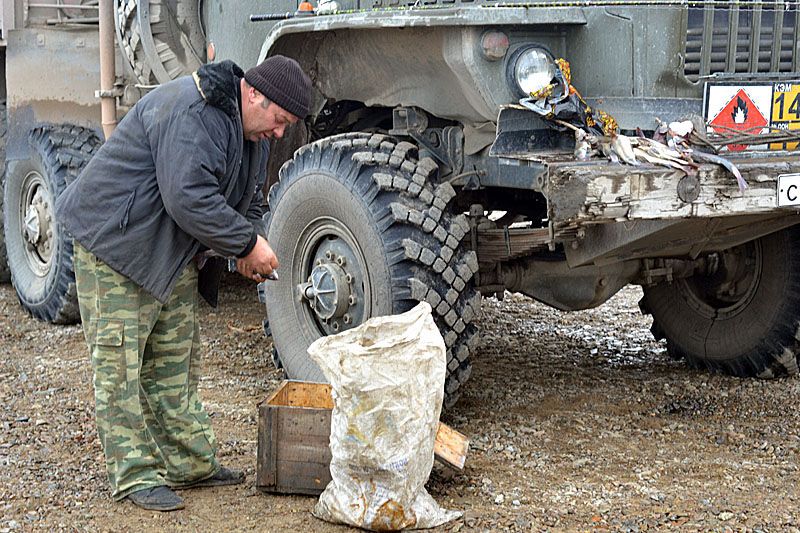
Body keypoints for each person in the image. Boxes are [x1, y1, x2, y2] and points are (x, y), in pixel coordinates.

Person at [55, 55, 312, 511]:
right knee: (120, 365)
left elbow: (250, 200)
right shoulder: (195, 112)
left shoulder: (250, 130)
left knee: (176, 360)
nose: (278, 132)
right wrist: (245, 244)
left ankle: (189, 462)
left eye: (286, 125)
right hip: (115, 241)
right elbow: (187, 196)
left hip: (168, 249)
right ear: (254, 93)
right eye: (278, 120)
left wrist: (248, 248)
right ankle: (133, 474)